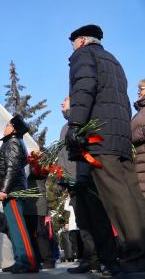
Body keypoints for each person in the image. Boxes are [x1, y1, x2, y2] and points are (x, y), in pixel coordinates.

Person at [66, 24, 145, 273]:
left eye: (72, 44)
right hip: (120, 137)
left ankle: (135, 257)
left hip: (101, 140)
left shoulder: (84, 55)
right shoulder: (113, 60)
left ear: (80, 41)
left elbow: (83, 89)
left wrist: (75, 125)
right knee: (132, 195)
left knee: (117, 199)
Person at [59, 95, 118, 275]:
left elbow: (91, 147)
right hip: (73, 182)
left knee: (98, 220)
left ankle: (109, 260)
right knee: (83, 223)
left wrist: (85, 174)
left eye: (65, 100)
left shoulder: (85, 122)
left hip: (87, 178)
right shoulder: (65, 127)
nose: (62, 103)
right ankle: (90, 260)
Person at [0, 115, 38, 274]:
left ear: (13, 129)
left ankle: (28, 262)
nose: (4, 127)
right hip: (10, 191)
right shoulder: (12, 143)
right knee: (13, 227)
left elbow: (11, 169)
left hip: (11, 192)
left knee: (18, 227)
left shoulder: (12, 143)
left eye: (7, 125)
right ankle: (20, 260)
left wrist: (4, 189)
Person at [23, 172, 55, 269]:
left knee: (41, 234)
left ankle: (48, 260)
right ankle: (36, 259)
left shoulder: (36, 163)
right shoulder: (24, 164)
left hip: (39, 204)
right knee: (30, 235)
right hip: (26, 204)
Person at [131, 79, 145, 198]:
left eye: (141, 89)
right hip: (139, 160)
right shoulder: (140, 112)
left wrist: (129, 137)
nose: (138, 92)